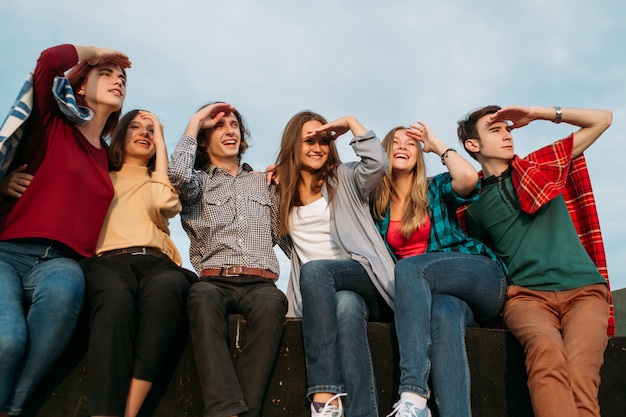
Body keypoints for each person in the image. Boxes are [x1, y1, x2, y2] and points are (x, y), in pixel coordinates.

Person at [458, 105, 614, 417]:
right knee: (546, 358)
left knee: (582, 376)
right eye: (496, 130)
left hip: (584, 291)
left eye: (508, 130)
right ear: (472, 145)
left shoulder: (542, 166)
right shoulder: (469, 206)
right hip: (527, 298)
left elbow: (603, 120)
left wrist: (541, 114)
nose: (507, 135)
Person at [0, 44, 130, 417]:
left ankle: (13, 409)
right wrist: (98, 53)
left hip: (61, 262)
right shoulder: (54, 125)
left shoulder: (108, 158)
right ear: (80, 86)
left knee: (65, 292)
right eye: (105, 74)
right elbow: (49, 60)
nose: (118, 79)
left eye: (121, 78)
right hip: (9, 250)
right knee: (8, 341)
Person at [370, 123, 507, 417]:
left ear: (420, 155)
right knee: (444, 315)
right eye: (395, 142)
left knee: (408, 269)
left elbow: (469, 177)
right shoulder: (376, 205)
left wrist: (436, 145)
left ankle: (414, 394)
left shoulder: (436, 187)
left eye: (411, 144)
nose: (403, 147)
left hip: (477, 276)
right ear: (383, 153)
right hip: (436, 297)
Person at [168, 102, 288, 417]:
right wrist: (195, 122)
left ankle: (244, 412)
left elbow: (286, 236)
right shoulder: (197, 183)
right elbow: (176, 176)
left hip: (260, 281)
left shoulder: (265, 182)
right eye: (218, 126)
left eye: (233, 124)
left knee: (273, 304)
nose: (229, 130)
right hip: (214, 279)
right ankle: (224, 410)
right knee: (200, 297)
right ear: (204, 141)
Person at [273, 110, 395, 417]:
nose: (317, 147)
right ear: (293, 146)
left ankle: (323, 393)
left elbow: (379, 164)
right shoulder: (280, 195)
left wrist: (352, 123)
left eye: (324, 140)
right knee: (347, 308)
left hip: (363, 275)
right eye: (309, 140)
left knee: (317, 271)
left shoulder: (346, 178)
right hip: (324, 296)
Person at [79, 110, 192, 417]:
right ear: (120, 134)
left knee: (167, 290)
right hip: (108, 262)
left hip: (157, 262)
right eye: (136, 127)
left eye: (151, 130)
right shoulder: (101, 174)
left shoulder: (160, 182)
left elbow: (162, 204)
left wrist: (161, 153)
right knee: (115, 304)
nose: (144, 133)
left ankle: (130, 412)